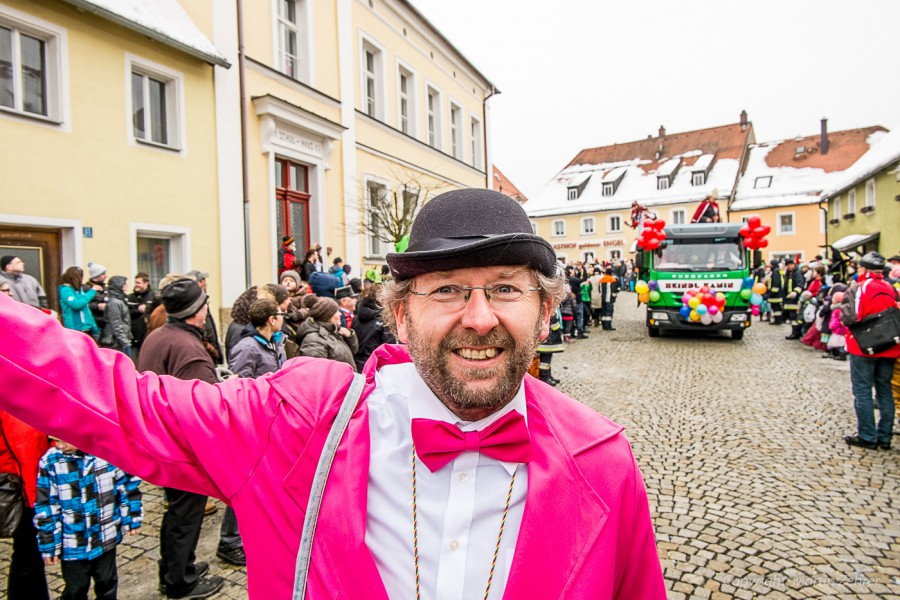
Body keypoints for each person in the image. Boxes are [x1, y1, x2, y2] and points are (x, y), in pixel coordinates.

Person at [0, 189, 666, 599]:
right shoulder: (298, 422)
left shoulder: (601, 462)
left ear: (545, 312)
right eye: (447, 290)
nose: (480, 316)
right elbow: (115, 401)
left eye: (505, 287)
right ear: (399, 317)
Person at [138, 278, 225, 599]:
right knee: (185, 515)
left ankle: (176, 566)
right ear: (195, 312)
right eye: (204, 303)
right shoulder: (188, 348)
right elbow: (205, 407)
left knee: (177, 511)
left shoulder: (159, 334)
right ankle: (179, 581)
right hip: (183, 447)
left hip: (162, 439)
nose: (206, 308)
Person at [218, 298, 289, 568]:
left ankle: (249, 533)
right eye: (280, 314)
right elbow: (240, 388)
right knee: (244, 481)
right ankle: (229, 540)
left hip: (272, 423)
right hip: (254, 425)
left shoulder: (275, 342)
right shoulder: (247, 347)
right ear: (271, 319)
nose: (283, 317)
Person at [33, 438, 142, 600]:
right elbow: (46, 505)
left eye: (63, 439)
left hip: (105, 536)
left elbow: (127, 485)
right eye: (54, 440)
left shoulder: (108, 451)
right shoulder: (51, 462)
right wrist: (49, 542)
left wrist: (132, 516)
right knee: (76, 588)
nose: (60, 445)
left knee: (107, 583)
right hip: (73, 544)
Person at [840, 252, 900, 450]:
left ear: (864, 269)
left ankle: (867, 435)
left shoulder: (859, 287)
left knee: (863, 391)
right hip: (890, 345)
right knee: (884, 391)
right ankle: (884, 436)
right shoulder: (891, 287)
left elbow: (850, 316)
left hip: (863, 346)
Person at [0, 410, 50, 600]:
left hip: (31, 484)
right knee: (28, 556)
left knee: (29, 556)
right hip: (23, 488)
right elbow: (25, 447)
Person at [296, 296, 359, 371]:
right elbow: (316, 372)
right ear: (328, 316)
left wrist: (350, 336)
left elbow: (351, 353)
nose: (340, 314)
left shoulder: (333, 331)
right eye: (336, 311)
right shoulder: (314, 340)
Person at [350, 284, 395, 372]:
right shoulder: (383, 320)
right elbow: (389, 346)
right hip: (374, 366)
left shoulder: (356, 317)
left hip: (356, 363)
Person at [188, 270, 223, 365]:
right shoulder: (196, 305)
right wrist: (212, 351)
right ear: (199, 283)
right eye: (204, 280)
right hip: (207, 357)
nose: (206, 284)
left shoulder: (202, 302)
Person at [58, 266, 100, 339]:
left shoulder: (78, 290)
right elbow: (76, 304)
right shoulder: (66, 290)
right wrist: (92, 291)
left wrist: (94, 328)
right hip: (75, 329)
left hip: (87, 328)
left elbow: (85, 309)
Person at [99, 276, 133, 356]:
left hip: (119, 341)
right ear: (119, 285)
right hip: (114, 342)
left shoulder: (120, 300)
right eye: (124, 283)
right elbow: (116, 323)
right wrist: (125, 341)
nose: (126, 285)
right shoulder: (114, 302)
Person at [127, 272, 160, 356]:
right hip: (133, 335)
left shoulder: (153, 297)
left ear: (146, 283)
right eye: (135, 282)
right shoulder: (130, 297)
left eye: (138, 283)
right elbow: (126, 313)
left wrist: (147, 310)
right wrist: (138, 310)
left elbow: (157, 314)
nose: (136, 285)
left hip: (146, 334)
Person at [781, 258, 805, 339]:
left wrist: (795, 292)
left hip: (795, 298)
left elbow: (800, 284)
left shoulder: (797, 273)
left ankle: (796, 333)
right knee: (792, 317)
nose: (790, 266)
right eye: (788, 265)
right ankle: (794, 332)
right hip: (789, 298)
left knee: (794, 316)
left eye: (791, 265)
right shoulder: (788, 274)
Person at [84, 262, 109, 332]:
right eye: (103, 274)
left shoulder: (106, 287)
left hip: (105, 322)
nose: (106, 276)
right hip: (94, 322)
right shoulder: (86, 288)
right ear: (96, 275)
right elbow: (83, 304)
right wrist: (97, 306)